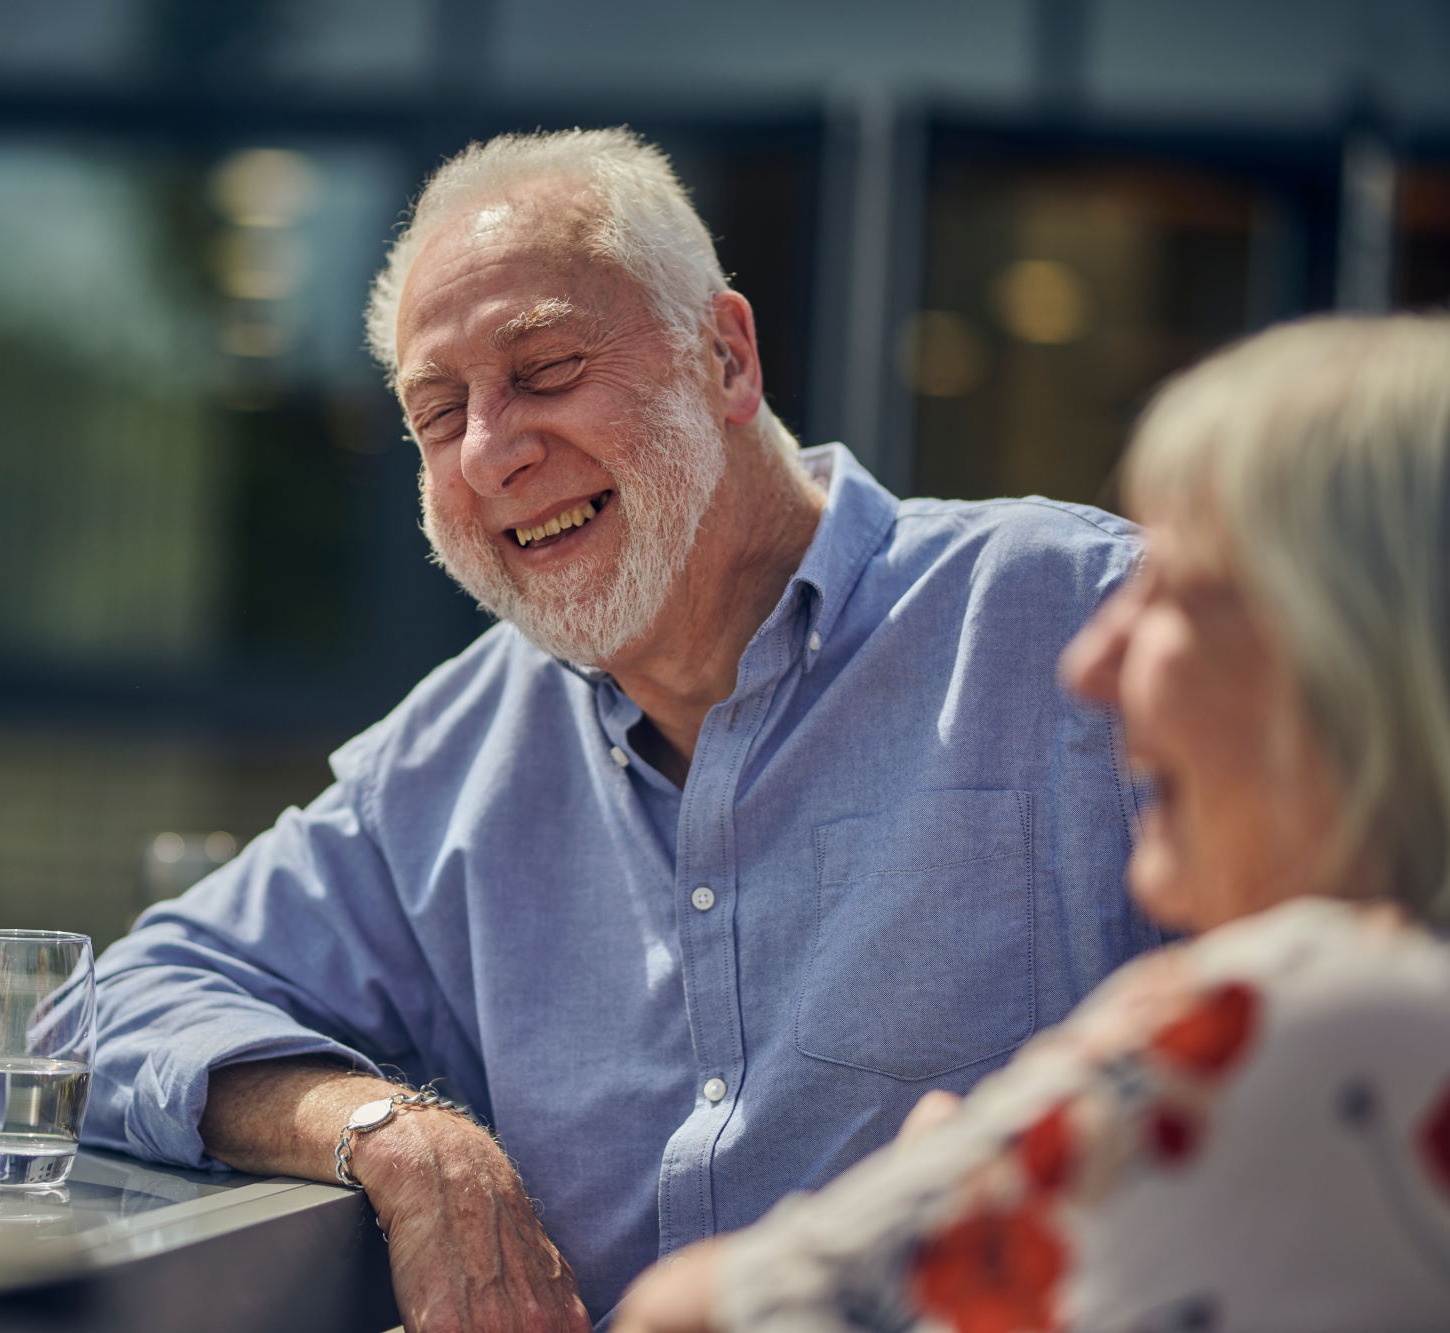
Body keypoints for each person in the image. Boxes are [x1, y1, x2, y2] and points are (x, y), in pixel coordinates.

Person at [83, 128, 1161, 1329]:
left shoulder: (1079, 622)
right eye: (437, 413)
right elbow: (120, 1001)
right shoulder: (455, 755)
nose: (491, 451)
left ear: (725, 354)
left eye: (544, 368)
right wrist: (395, 1137)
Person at [613, 313, 1450, 1333]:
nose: (1089, 664)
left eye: (1175, 592)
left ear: (1358, 660)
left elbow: (682, 1318)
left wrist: (939, 1186)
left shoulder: (1312, 1009)